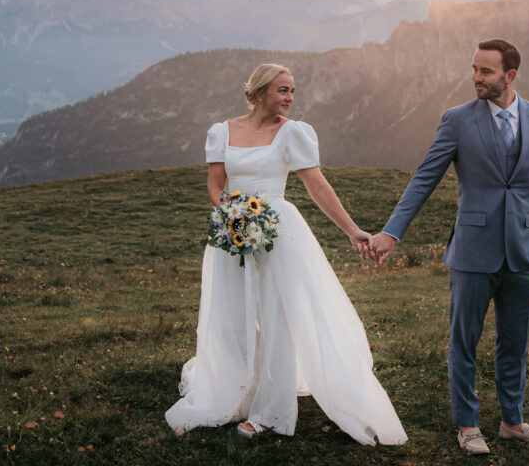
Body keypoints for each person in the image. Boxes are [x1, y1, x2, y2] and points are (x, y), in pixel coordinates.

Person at [165, 63, 407, 446]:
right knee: (231, 314)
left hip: (279, 232)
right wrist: (233, 217)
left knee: (277, 318)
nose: (290, 98)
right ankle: (235, 388)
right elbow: (215, 184)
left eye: (292, 91)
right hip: (233, 231)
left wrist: (353, 230)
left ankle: (270, 413)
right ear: (260, 92)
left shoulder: (293, 134)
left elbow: (318, 187)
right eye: (282, 90)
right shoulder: (222, 131)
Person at [368, 38, 529, 455]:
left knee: (515, 342)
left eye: (486, 71)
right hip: (473, 252)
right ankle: (468, 425)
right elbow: (425, 178)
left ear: (509, 76)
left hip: (527, 254)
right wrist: (391, 232)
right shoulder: (456, 120)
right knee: (464, 342)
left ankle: (513, 422)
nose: (476, 77)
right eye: (474, 68)